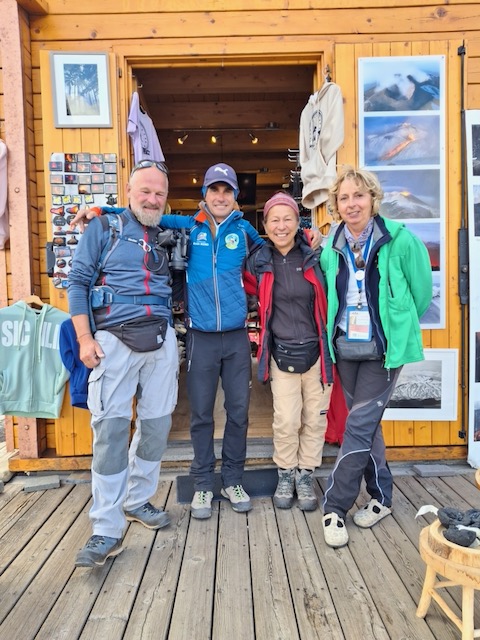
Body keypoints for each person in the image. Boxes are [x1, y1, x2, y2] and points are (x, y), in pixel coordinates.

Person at [71, 163, 323, 520]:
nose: (220, 197)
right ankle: (203, 481)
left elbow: (280, 244)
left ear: (235, 196)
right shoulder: (188, 225)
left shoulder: (245, 231)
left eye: (227, 190)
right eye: (214, 190)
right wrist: (101, 209)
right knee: (201, 415)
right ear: (204, 194)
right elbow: (143, 212)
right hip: (200, 338)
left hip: (236, 339)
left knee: (238, 414)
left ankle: (233, 480)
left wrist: (309, 235)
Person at [67, 160, 179, 567]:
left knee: (157, 426)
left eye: (159, 193)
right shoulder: (103, 228)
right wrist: (84, 338)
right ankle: (106, 528)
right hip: (113, 340)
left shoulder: (167, 230)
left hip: (161, 338)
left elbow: (200, 218)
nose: (152, 199)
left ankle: (137, 500)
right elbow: (77, 282)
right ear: (128, 191)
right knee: (111, 432)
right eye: (144, 191)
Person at [320, 165, 432, 548]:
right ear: (336, 205)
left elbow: (420, 294)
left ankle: (335, 506)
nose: (352, 203)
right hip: (346, 347)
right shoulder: (331, 246)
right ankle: (382, 497)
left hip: (383, 351)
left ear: (373, 199)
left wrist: (395, 326)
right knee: (366, 425)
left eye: (359, 195)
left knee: (357, 425)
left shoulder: (400, 240)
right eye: (344, 197)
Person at [244, 192, 333, 511]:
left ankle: (305, 474)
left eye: (288, 219)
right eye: (274, 220)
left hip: (317, 352)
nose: (281, 226)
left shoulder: (316, 255)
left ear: (298, 222)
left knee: (315, 419)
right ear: (265, 224)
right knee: (286, 420)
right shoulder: (258, 261)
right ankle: (285, 473)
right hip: (281, 354)